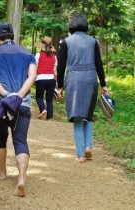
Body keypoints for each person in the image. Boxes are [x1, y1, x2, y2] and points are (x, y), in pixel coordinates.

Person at [0, 22, 37, 197]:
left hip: (0, 102)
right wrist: (19, 96)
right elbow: (32, 77)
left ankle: (2, 172)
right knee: (20, 140)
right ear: (13, 37)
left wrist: (8, 95)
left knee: (0, 136)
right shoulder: (28, 54)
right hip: (22, 103)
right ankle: (21, 178)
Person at [57, 14, 108, 163]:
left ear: (71, 26)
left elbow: (61, 67)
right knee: (89, 115)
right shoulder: (93, 42)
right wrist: (104, 85)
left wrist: (59, 86)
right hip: (91, 79)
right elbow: (99, 64)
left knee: (77, 117)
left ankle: (80, 154)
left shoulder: (66, 42)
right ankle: (88, 147)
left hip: (74, 80)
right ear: (86, 26)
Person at [34, 36, 57, 120]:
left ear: (41, 45)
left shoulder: (38, 55)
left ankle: (43, 109)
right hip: (51, 79)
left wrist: (33, 77)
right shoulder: (54, 57)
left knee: (39, 97)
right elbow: (55, 71)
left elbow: (35, 68)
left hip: (41, 78)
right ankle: (49, 116)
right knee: (49, 100)